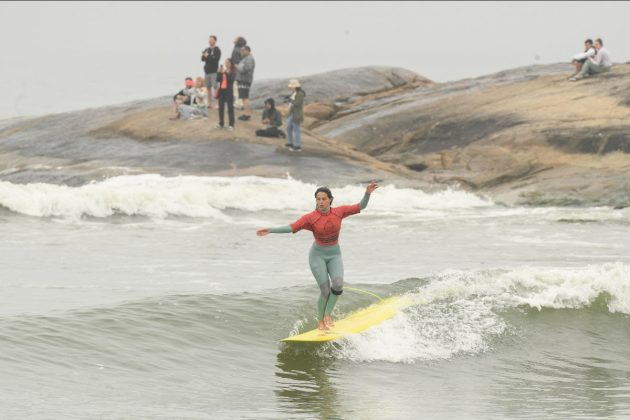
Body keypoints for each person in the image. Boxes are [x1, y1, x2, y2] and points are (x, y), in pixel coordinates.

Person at [256, 182, 379, 330]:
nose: (320, 202)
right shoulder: (310, 218)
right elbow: (291, 227)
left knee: (338, 284)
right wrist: (270, 230)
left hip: (334, 254)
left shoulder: (339, 212)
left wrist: (368, 193)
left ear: (330, 200)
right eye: (318, 199)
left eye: (323, 199)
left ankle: (327, 315)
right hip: (317, 256)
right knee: (325, 291)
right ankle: (320, 321)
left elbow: (361, 206)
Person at [215, 58, 236, 130]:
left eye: (228, 62)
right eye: (225, 62)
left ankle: (231, 124)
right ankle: (221, 123)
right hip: (222, 91)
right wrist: (219, 72)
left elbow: (231, 80)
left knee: (230, 108)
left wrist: (225, 73)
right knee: (221, 108)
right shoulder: (223, 71)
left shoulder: (233, 71)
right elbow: (218, 80)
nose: (226, 64)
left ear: (231, 63)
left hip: (229, 91)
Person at [201, 35, 221, 109]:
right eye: (209, 39)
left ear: (215, 41)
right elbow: (202, 58)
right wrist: (205, 55)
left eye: (212, 39)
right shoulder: (207, 49)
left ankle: (218, 103)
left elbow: (215, 59)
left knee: (216, 87)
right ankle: (209, 103)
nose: (210, 41)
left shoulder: (217, 50)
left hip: (214, 72)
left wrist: (208, 56)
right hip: (207, 71)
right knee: (208, 88)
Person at [236, 45, 255, 121]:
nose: (241, 52)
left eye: (243, 50)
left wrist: (238, 67)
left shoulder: (249, 58)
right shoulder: (246, 58)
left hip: (245, 80)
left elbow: (246, 68)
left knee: (245, 97)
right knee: (243, 97)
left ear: (247, 50)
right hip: (243, 80)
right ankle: (246, 114)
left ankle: (247, 115)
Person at [285, 79, 305, 152]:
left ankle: (297, 146)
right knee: (289, 128)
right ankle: (290, 142)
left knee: (296, 130)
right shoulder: (295, 93)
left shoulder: (300, 94)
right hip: (292, 113)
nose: (290, 88)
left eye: (292, 86)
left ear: (295, 86)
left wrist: (290, 100)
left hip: (296, 114)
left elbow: (297, 103)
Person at [231, 36, 247, 108]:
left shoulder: (236, 50)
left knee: (236, 87)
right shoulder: (243, 49)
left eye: (236, 39)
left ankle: (238, 104)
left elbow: (235, 62)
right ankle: (241, 103)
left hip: (237, 71)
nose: (234, 39)